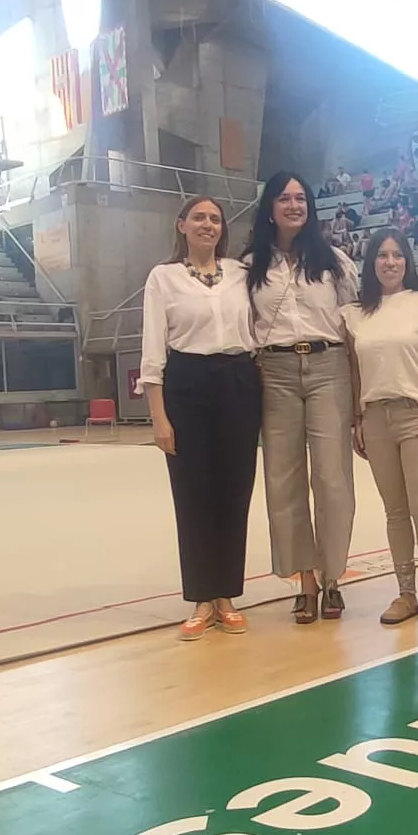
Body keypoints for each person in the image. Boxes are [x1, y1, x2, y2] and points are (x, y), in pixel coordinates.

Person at [138, 195, 261, 640]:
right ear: (182, 225)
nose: (208, 225)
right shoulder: (163, 277)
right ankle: (201, 597)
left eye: (215, 219)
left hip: (239, 381)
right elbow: (153, 348)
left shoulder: (241, 273)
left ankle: (226, 594)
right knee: (192, 494)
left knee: (234, 489)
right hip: (187, 383)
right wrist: (158, 415)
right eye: (199, 218)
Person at [245, 171, 358, 625]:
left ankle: (333, 578)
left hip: (329, 368)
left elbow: (353, 325)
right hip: (274, 372)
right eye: (284, 198)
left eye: (300, 197)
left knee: (332, 479)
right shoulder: (249, 267)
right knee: (283, 482)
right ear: (270, 208)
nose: (294, 205)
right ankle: (306, 582)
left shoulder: (333, 261)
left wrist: (361, 393)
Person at [344, 227, 418, 629]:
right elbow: (355, 372)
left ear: (407, 260)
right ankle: (406, 593)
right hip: (375, 419)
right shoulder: (354, 314)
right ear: (370, 263)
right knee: (395, 512)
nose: (390, 262)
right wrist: (356, 418)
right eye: (382, 255)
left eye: (397, 254)